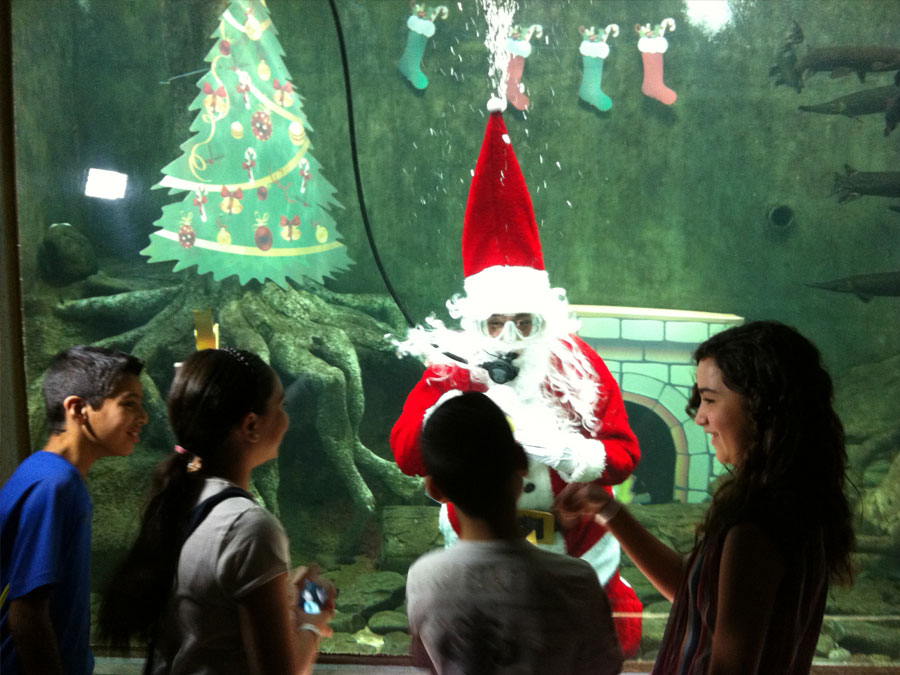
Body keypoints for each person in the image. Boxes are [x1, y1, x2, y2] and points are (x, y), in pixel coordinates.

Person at [391, 99, 642, 656]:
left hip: (573, 548)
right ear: (475, 320)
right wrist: (447, 392)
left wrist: (577, 454)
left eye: (523, 322)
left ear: (544, 316)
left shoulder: (580, 365)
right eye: (495, 323)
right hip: (481, 550)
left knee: (591, 637)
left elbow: (625, 450)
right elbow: (409, 456)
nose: (509, 337)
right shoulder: (449, 368)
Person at [556, 321, 856, 675]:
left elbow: (730, 667)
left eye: (710, 399)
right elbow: (699, 593)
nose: (699, 417)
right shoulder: (797, 504)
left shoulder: (756, 525)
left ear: (763, 404)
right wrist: (609, 512)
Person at [97, 348, 333, 675]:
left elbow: (212, 622)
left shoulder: (181, 500)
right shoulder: (249, 526)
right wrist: (311, 618)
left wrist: (281, 596)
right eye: (281, 405)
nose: (286, 418)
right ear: (251, 425)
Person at [406, 391, 624, 674]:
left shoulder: (423, 578)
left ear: (434, 490)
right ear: (522, 464)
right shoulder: (576, 580)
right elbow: (606, 666)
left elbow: (424, 661)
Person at [1, 345, 147, 675]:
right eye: (129, 404)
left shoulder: (39, 471)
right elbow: (26, 614)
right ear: (78, 409)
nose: (144, 417)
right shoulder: (56, 486)